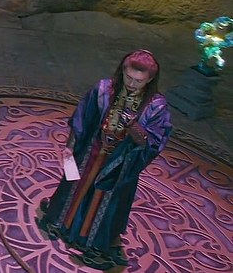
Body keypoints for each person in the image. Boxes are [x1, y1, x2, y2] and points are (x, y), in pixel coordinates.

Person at [38, 49, 173, 270]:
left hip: (121, 162)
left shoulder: (156, 107)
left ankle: (91, 242)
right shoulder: (103, 89)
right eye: (128, 77)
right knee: (76, 186)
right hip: (92, 151)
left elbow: (151, 142)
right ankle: (62, 223)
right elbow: (82, 118)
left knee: (106, 200)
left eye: (138, 81)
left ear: (149, 80)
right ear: (122, 71)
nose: (132, 84)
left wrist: (133, 126)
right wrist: (69, 148)